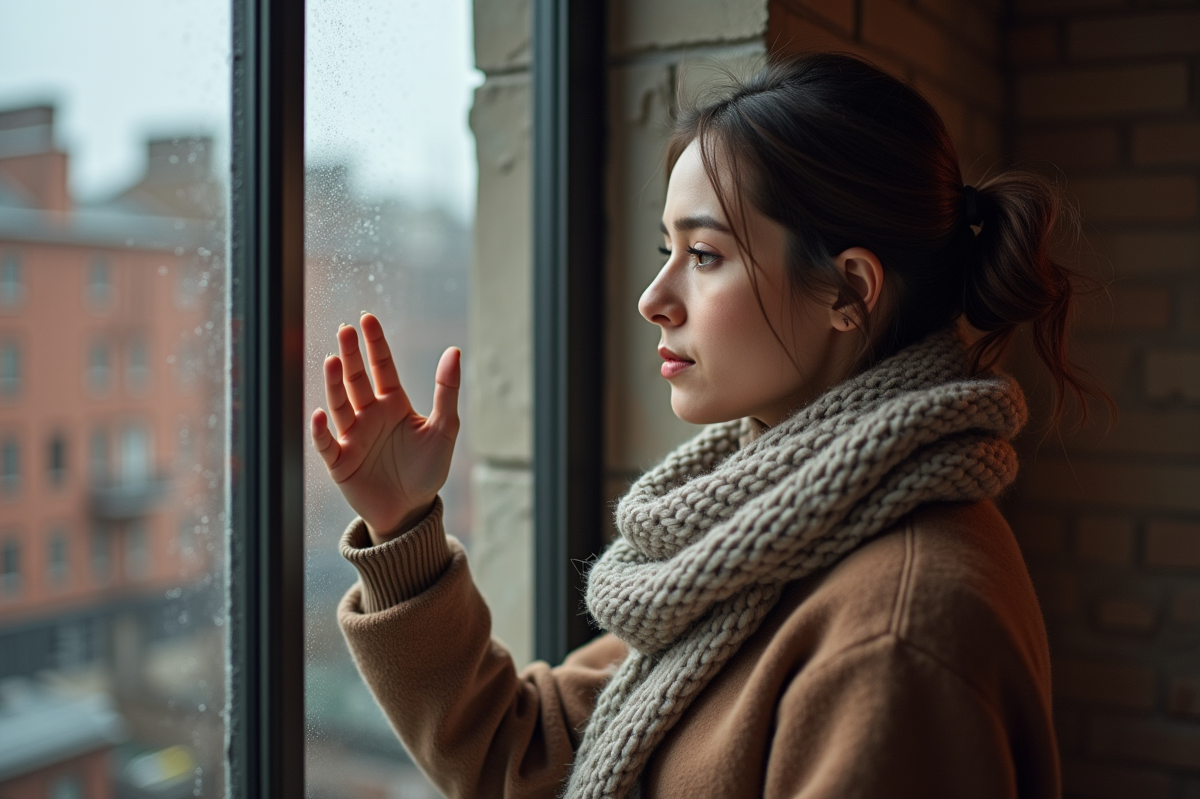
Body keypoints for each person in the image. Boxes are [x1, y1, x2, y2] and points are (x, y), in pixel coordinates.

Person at [311, 53, 1100, 799]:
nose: (655, 296)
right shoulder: (759, 536)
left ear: (847, 291)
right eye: (667, 248)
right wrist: (403, 526)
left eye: (706, 254)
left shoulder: (895, 632)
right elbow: (531, 756)